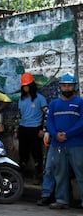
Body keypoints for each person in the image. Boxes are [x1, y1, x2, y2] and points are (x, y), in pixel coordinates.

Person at [46, 72, 83, 209]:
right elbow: (49, 122)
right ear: (60, 87)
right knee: (60, 174)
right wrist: (56, 135)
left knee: (81, 173)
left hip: (76, 144)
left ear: (74, 87)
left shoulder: (80, 103)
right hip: (58, 145)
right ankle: (62, 200)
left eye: (69, 86)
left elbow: (82, 122)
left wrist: (67, 134)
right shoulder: (54, 104)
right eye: (64, 86)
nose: (67, 88)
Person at [16, 73, 48, 181]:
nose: (25, 88)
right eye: (24, 86)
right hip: (23, 129)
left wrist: (43, 130)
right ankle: (22, 175)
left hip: (35, 129)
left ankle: (38, 175)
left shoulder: (40, 98)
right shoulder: (21, 99)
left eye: (27, 85)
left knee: (36, 153)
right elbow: (19, 115)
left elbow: (46, 115)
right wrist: (16, 131)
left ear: (32, 85)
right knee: (23, 153)